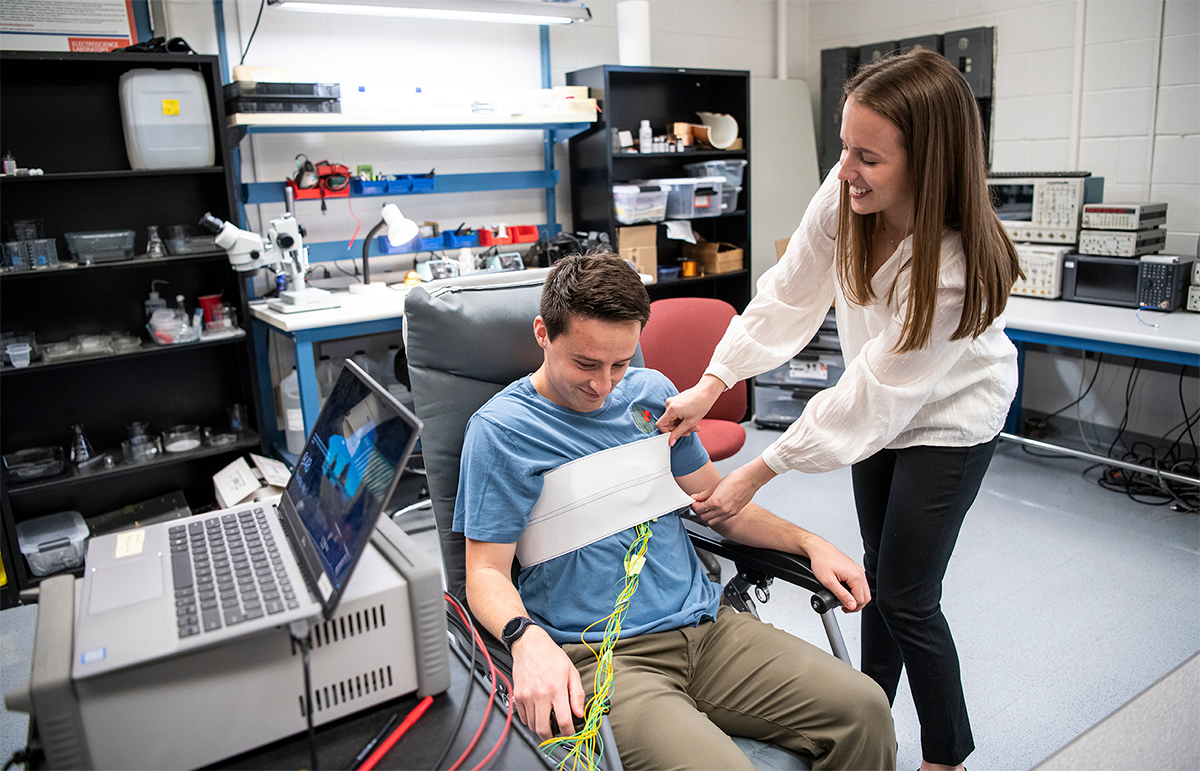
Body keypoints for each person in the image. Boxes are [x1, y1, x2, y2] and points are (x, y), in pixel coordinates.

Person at [657, 49, 1022, 771]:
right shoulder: (848, 190)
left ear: (927, 163)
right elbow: (787, 292)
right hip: (879, 406)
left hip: (950, 419)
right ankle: (870, 715)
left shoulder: (957, 269)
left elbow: (873, 395)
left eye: (869, 158)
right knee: (879, 578)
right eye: (845, 147)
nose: (846, 169)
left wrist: (758, 470)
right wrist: (711, 382)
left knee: (910, 597)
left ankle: (946, 756)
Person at [455, 252, 897, 771]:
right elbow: (484, 572)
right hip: (604, 658)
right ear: (543, 334)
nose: (603, 385)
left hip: (707, 629)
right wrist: (525, 640)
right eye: (586, 364)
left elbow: (719, 506)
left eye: (620, 363)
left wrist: (809, 542)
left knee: (865, 709)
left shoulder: (652, 397)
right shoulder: (502, 433)